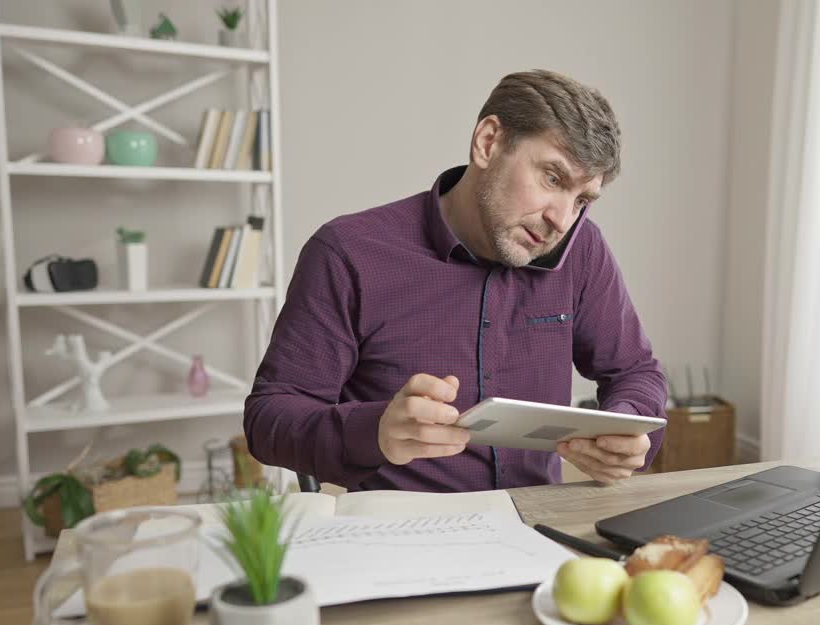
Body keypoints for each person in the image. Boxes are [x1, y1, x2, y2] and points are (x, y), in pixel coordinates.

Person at [244, 69, 668, 492]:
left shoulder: (582, 249)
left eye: (580, 200)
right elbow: (269, 417)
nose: (561, 219)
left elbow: (636, 371)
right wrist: (375, 431)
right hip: (402, 536)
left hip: (539, 531)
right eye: (552, 178)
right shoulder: (348, 253)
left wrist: (629, 432)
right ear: (488, 142)